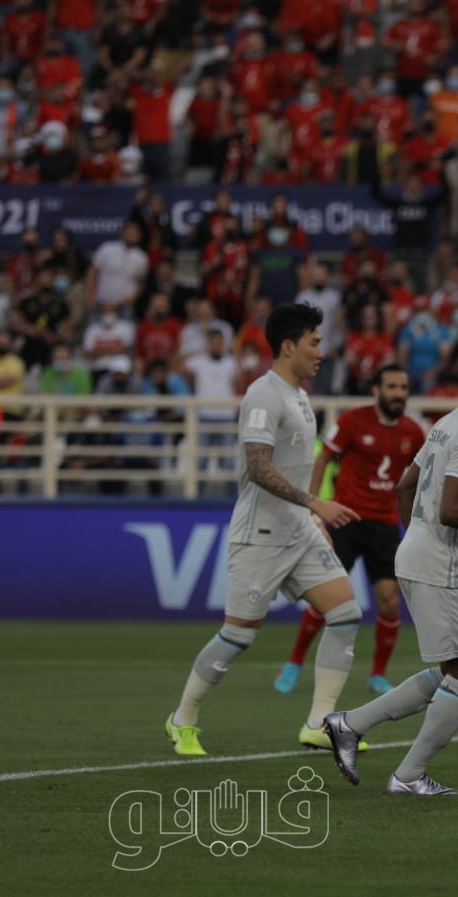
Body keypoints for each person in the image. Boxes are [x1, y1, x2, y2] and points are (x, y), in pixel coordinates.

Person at [322, 337, 458, 796]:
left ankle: (349, 724)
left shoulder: (448, 423)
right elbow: (452, 509)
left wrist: (417, 538)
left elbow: (405, 485)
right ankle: (407, 776)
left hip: (418, 550)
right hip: (438, 559)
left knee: (451, 668)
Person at [162, 304, 363, 757]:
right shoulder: (263, 395)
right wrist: (316, 503)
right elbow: (257, 467)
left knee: (346, 614)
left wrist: (311, 519)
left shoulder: (300, 395)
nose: (321, 351)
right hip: (261, 535)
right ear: (288, 346)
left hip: (300, 531)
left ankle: (320, 724)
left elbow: (292, 464)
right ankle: (183, 719)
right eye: (313, 343)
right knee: (239, 636)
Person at [276, 364, 427, 700]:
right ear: (376, 390)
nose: (398, 394)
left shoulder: (414, 433)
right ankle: (295, 661)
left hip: (385, 524)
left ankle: (377, 675)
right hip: (345, 519)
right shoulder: (352, 421)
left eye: (403, 387)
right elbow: (323, 459)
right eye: (391, 387)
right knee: (325, 598)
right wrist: (313, 504)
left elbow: (418, 480)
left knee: (389, 602)